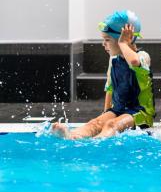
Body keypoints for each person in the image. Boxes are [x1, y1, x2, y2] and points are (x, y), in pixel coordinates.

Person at [52, 10, 155, 139]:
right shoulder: (114, 60)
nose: (103, 44)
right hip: (118, 109)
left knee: (111, 125)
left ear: (124, 38)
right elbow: (110, 88)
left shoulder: (143, 57)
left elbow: (134, 62)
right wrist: (106, 113)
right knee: (96, 122)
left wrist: (123, 43)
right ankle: (71, 136)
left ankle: (97, 143)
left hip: (140, 114)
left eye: (107, 39)